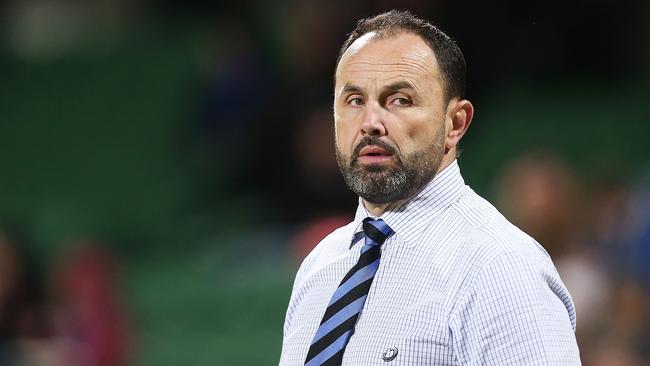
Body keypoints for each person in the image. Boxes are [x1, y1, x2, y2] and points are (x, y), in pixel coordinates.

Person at [279, 10, 581, 366]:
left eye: (400, 100)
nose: (371, 123)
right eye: (355, 101)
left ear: (455, 123)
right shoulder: (320, 266)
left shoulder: (500, 268)